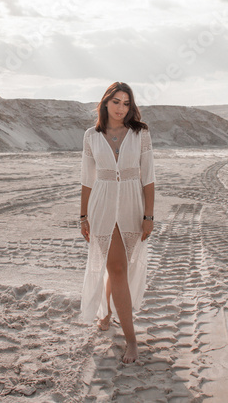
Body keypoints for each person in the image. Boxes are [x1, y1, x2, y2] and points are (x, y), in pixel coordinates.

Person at [80, 82, 155, 364]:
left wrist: (149, 215)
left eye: (126, 103)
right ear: (105, 102)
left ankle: (108, 313)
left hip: (132, 206)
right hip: (101, 205)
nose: (121, 108)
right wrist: (83, 215)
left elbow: (148, 177)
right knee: (117, 267)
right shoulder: (91, 135)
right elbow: (87, 179)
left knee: (119, 266)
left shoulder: (140, 133)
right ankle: (131, 341)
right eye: (116, 101)